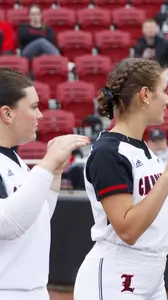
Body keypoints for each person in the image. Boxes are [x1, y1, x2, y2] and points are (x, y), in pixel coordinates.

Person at [73, 58, 168, 300]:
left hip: (152, 276)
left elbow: (161, 210)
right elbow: (128, 230)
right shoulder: (108, 151)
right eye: (165, 91)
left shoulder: (142, 149)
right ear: (145, 95)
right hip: (116, 276)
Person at [0, 67, 89, 300]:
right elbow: (7, 224)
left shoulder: (14, 159)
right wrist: (46, 165)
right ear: (7, 114)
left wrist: (55, 172)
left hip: (31, 288)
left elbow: (37, 217)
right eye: (33, 107)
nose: (40, 115)